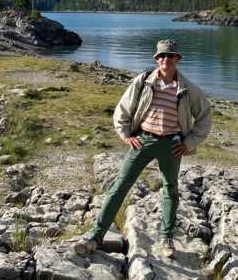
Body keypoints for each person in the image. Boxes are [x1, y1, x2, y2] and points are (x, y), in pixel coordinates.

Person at [73, 39, 211, 258]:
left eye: (170, 55)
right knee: (119, 186)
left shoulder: (187, 88)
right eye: (162, 56)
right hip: (143, 141)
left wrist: (189, 143)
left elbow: (204, 116)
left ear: (177, 59)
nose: (166, 59)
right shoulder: (144, 80)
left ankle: (166, 237)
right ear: (157, 59)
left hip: (172, 145)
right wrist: (126, 134)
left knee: (170, 189)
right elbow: (123, 108)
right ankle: (95, 236)